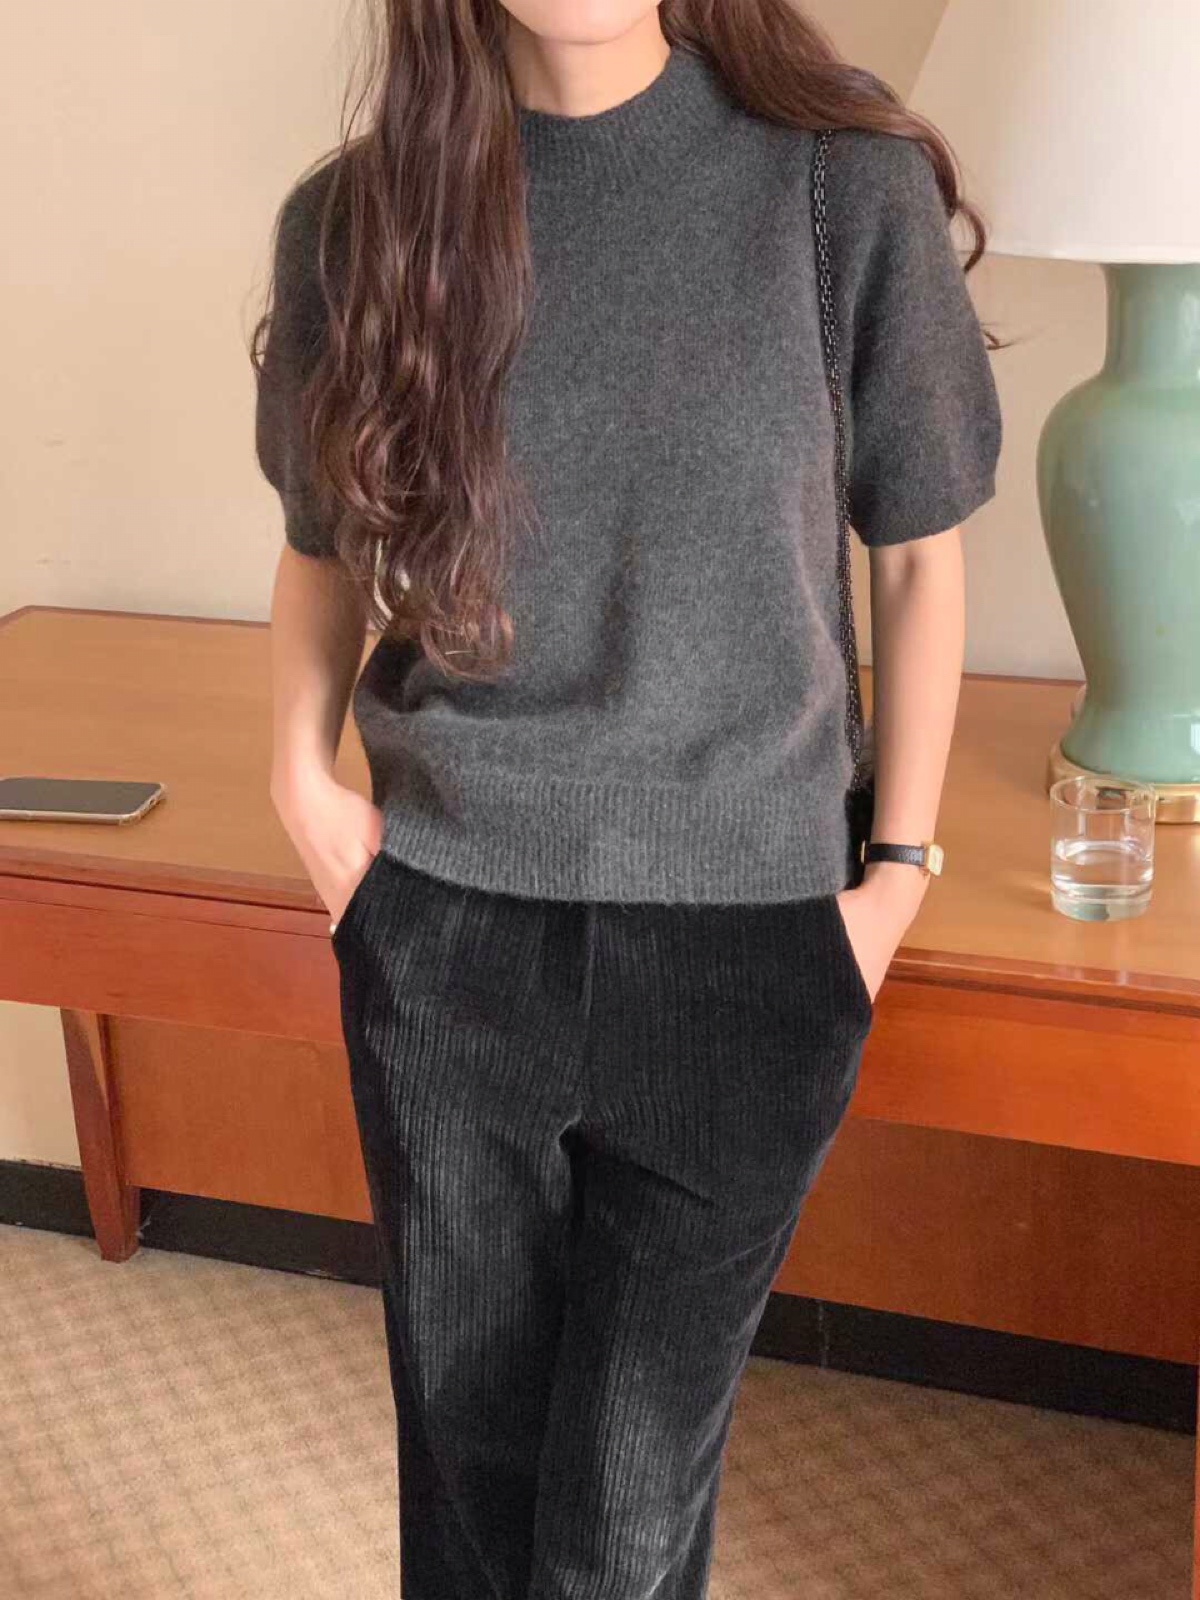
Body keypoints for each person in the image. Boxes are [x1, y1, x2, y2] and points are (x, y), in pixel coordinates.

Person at [251, 3, 1003, 1595]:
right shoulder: (355, 221)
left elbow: (921, 556)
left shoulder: (836, 191)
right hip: (451, 928)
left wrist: (896, 876)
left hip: (750, 946)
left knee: (620, 1512)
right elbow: (320, 547)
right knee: (471, 1474)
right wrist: (299, 783)